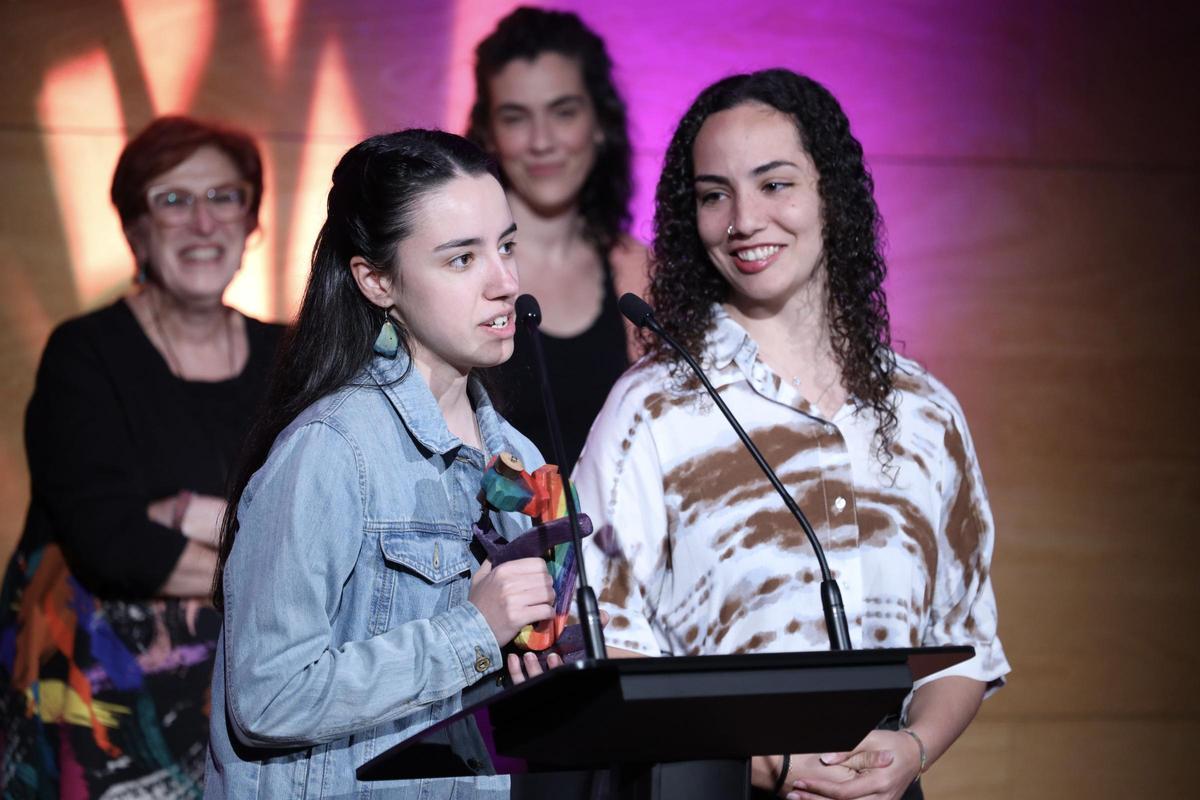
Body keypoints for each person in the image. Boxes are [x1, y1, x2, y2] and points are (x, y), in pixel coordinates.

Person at [571, 69, 1011, 800]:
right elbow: (602, 645)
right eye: (715, 195)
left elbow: (965, 648)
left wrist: (913, 748)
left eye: (775, 184)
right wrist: (765, 764)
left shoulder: (926, 411)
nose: (744, 220)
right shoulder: (651, 410)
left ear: (829, 193)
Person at [203, 129, 559, 799]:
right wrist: (473, 631)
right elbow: (268, 697)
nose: (505, 283)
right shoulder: (333, 449)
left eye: (507, 246)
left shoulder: (520, 460)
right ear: (376, 280)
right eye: (461, 260)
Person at [0, 116, 282, 796]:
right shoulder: (86, 353)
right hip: (102, 713)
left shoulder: (292, 358)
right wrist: (274, 564)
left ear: (250, 222)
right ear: (134, 229)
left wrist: (186, 515)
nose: (202, 223)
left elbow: (330, 524)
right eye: (172, 200)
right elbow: (114, 545)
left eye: (224, 197)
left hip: (255, 701)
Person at [467, 6, 649, 471]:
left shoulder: (643, 273)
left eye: (563, 112)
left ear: (600, 122)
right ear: (488, 132)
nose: (542, 141)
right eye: (515, 118)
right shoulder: (459, 274)